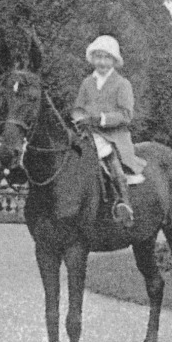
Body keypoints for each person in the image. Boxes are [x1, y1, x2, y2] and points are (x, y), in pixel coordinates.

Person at [72, 35, 146, 227]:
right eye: (98, 57)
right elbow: (78, 107)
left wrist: (101, 119)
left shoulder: (122, 84)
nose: (102, 62)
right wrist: (80, 119)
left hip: (113, 135)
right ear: (92, 59)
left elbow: (126, 114)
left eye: (106, 58)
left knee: (107, 154)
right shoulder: (87, 82)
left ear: (114, 60)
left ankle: (124, 202)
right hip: (88, 132)